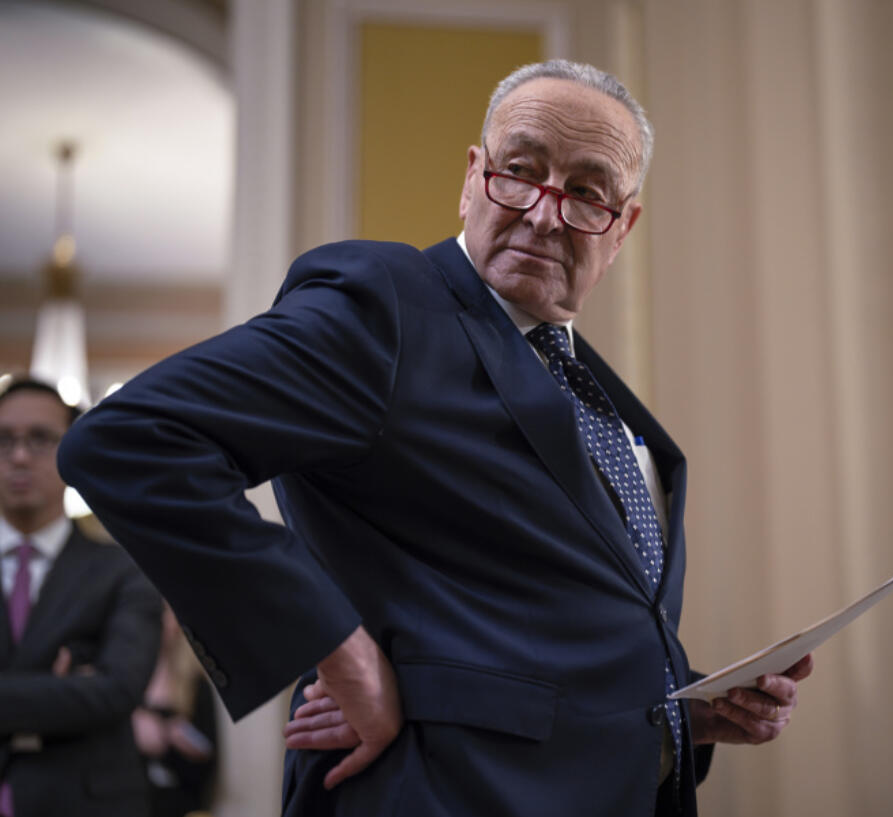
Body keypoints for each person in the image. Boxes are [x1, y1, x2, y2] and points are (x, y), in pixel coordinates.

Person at [57, 60, 812, 817]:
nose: (546, 214)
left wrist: (681, 711)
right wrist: (341, 651)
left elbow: (527, 628)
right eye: (519, 171)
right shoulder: (386, 306)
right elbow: (128, 438)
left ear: (622, 228)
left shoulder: (596, 394)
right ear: (472, 177)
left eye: (586, 191)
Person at [0, 377, 162, 817]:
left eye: (40, 439)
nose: (18, 456)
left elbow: (117, 690)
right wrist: (62, 688)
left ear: (73, 453)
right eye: (4, 439)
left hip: (85, 803)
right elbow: (89, 694)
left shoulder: (124, 569)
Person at [132, 602, 218, 817]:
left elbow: (209, 762)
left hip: (177, 805)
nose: (161, 621)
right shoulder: (124, 681)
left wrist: (172, 741)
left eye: (166, 612)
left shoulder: (195, 684)